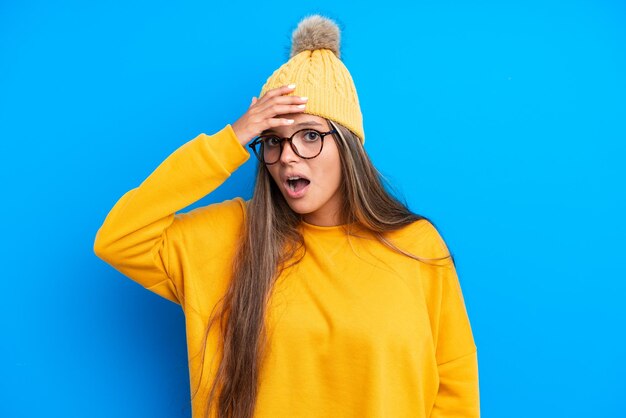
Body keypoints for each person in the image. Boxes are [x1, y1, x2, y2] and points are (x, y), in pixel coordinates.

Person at [93, 14, 479, 418]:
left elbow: (454, 383)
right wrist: (233, 139)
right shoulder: (230, 236)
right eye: (273, 140)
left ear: (348, 146)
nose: (288, 155)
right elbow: (119, 237)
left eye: (310, 135)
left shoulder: (415, 245)